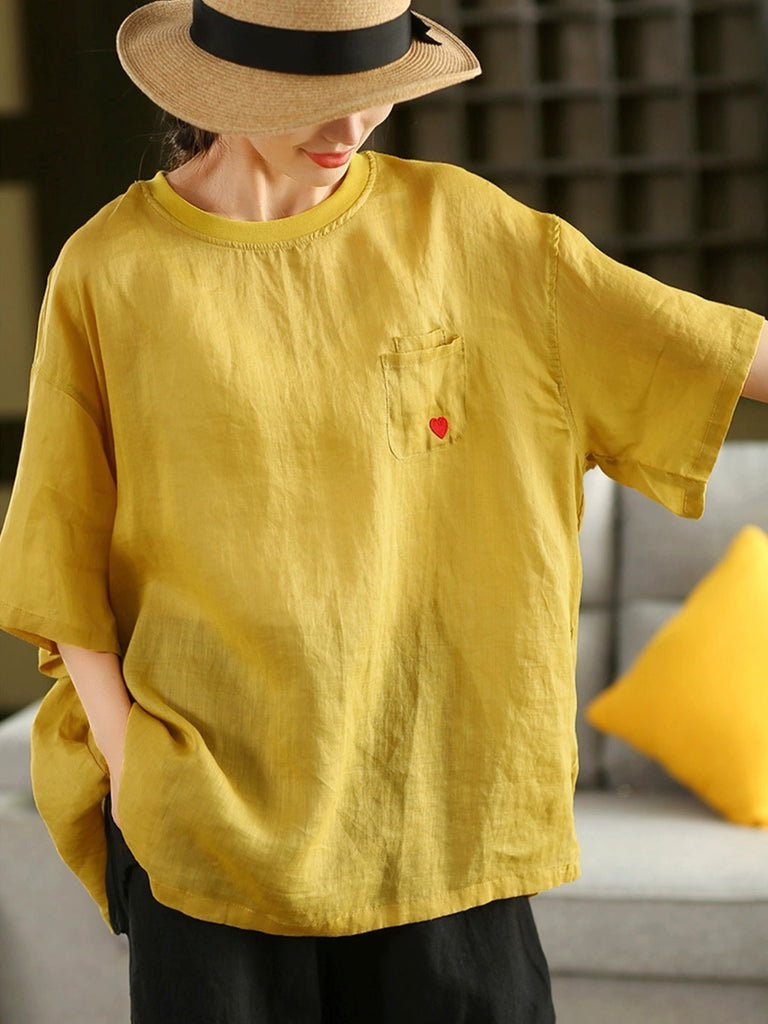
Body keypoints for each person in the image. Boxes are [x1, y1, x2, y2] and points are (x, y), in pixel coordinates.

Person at [1, 1, 767, 1021]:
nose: (351, 128)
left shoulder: (469, 230)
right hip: (206, 816)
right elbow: (58, 545)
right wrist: (133, 761)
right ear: (224, 91)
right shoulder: (111, 270)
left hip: (443, 803)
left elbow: (710, 349)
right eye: (316, 100)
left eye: (373, 97)